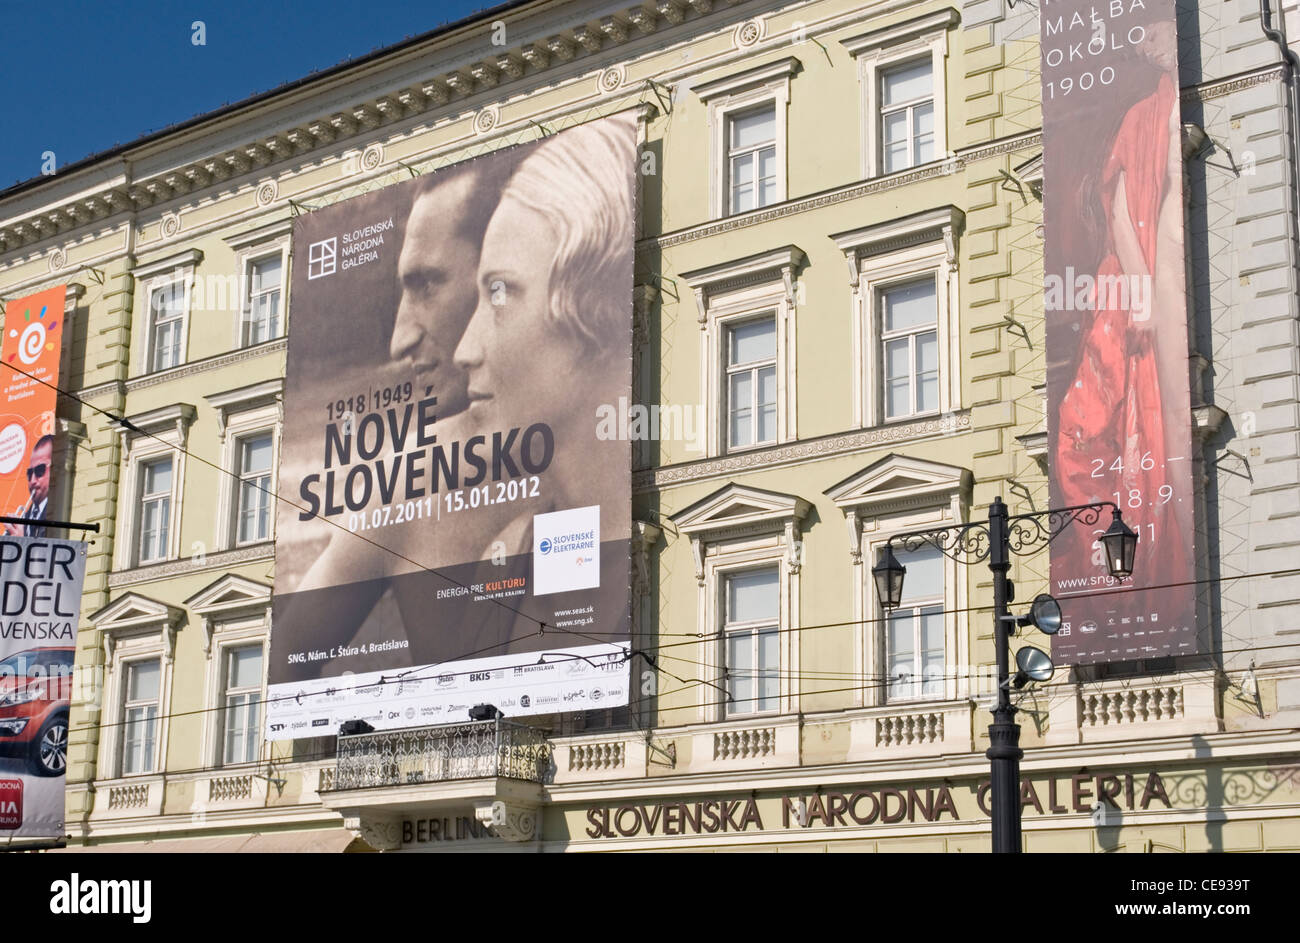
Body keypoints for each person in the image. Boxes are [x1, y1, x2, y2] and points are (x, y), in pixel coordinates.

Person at [1052, 17, 1191, 585]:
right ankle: (1135, 559)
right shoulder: (1140, 116)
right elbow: (1118, 208)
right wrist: (1141, 293)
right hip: (1145, 289)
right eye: (1141, 34)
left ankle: (1171, 554)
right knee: (1095, 425)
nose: (1148, 41)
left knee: (1176, 423)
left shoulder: (1184, 102)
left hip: (1171, 281)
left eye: (1156, 28)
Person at [4, 435, 53, 538]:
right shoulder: (25, 516)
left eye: (40, 470)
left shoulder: (54, 515)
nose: (33, 480)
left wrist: (21, 540)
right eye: (30, 473)